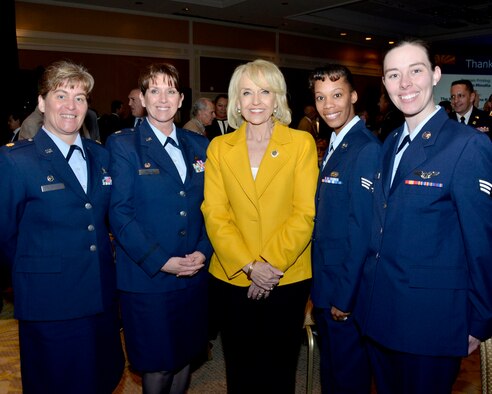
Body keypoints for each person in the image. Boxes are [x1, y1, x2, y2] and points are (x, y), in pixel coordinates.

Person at [355, 39, 492, 394]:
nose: (405, 84)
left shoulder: (467, 145)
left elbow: (482, 241)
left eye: (415, 71)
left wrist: (479, 320)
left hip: (430, 319)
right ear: (384, 84)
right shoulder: (391, 142)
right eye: (394, 75)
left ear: (435, 75)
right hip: (380, 312)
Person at [0, 60, 124, 394]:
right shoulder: (15, 160)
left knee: (103, 376)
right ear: (42, 103)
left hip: (100, 296)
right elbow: (4, 235)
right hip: (49, 301)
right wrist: (31, 277)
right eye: (61, 95)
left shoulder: (101, 156)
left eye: (80, 97)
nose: (71, 106)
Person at [201, 59, 318, 394]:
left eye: (264, 91)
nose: (255, 100)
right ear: (236, 101)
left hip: (287, 276)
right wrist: (251, 266)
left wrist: (269, 265)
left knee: (280, 369)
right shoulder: (219, 147)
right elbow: (215, 213)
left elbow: (303, 213)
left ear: (277, 98)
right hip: (234, 274)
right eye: (246, 92)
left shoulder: (300, 144)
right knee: (240, 368)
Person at [106, 62, 212, 394]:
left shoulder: (199, 146)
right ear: (143, 97)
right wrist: (161, 260)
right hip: (148, 278)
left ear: (181, 99)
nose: (163, 99)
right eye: (154, 90)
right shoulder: (124, 145)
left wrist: (204, 251)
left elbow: (214, 209)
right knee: (157, 366)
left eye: (170, 91)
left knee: (183, 359)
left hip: (192, 275)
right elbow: (120, 214)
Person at [309, 64, 381, 394]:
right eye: (321, 98)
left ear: (352, 96)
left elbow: (362, 230)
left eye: (337, 95)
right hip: (328, 281)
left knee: (348, 376)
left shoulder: (364, 148)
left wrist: (344, 296)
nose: (329, 105)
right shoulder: (337, 142)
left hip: (343, 289)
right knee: (333, 369)